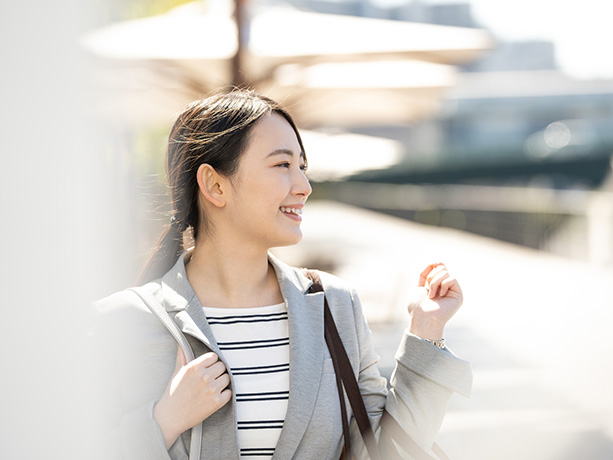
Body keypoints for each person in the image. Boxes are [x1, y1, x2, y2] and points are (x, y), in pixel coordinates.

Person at [93, 88, 472, 460]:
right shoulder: (122, 323)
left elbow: (387, 451)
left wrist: (426, 333)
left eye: (302, 167)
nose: (304, 186)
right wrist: (163, 422)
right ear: (214, 184)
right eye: (282, 165)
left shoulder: (334, 305)